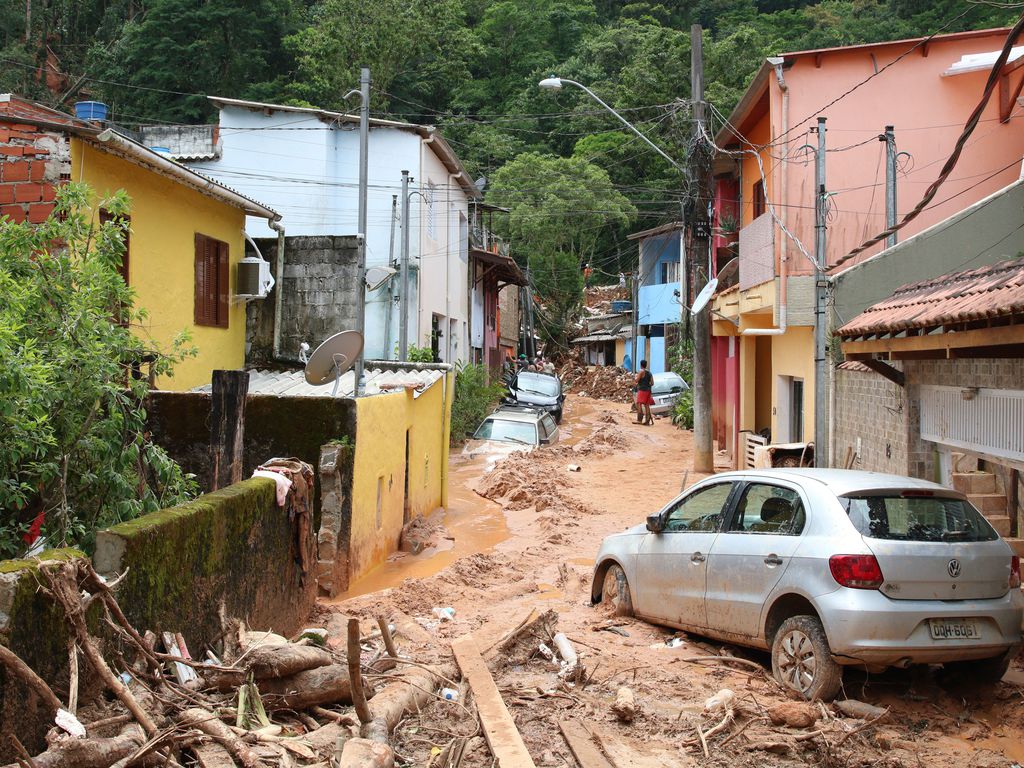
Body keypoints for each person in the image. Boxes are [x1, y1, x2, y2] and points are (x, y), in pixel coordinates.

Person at [634, 359, 654, 426]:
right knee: (646, 405)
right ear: (646, 365)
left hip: (642, 390)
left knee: (639, 403)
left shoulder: (641, 371)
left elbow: (637, 380)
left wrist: (636, 378)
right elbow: (652, 383)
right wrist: (647, 385)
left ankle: (639, 420)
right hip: (648, 390)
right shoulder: (649, 372)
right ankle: (647, 421)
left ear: (640, 365)